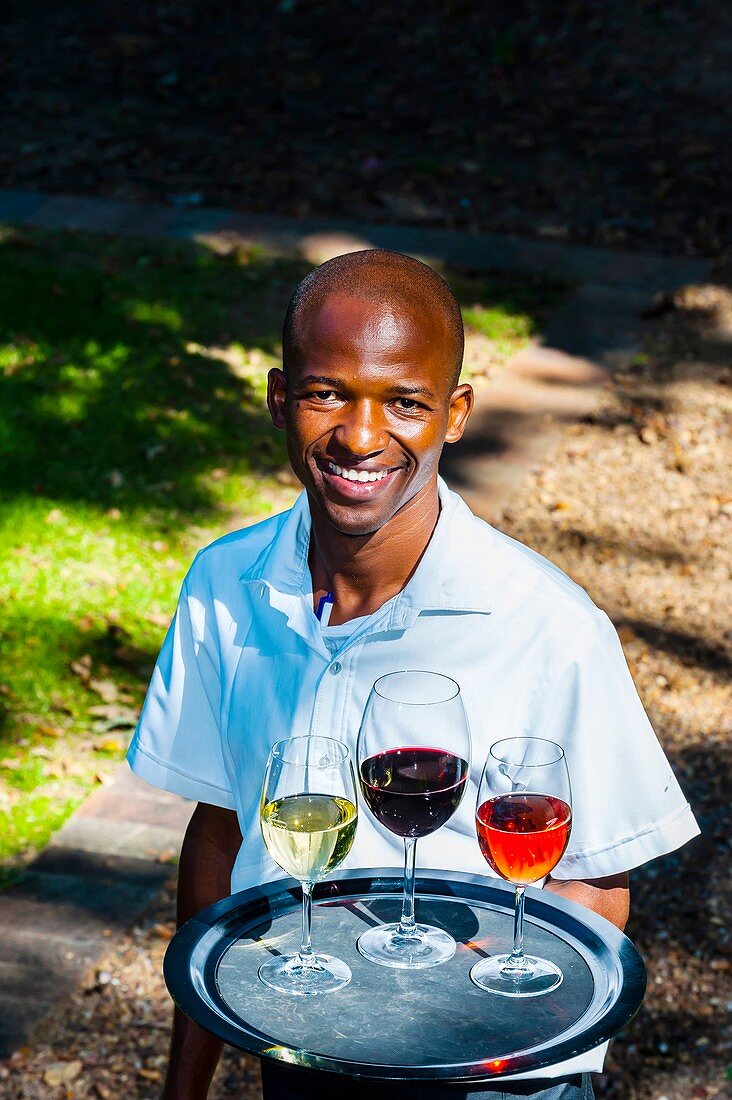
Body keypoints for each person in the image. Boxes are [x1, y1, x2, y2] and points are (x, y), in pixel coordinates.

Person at [127, 249, 699, 1100]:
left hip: (492, 1075)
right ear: (280, 398)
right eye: (328, 393)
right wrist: (185, 1087)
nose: (361, 437)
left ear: (454, 414)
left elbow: (596, 877)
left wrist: (493, 1023)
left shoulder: (546, 625)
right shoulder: (223, 586)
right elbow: (220, 828)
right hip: (304, 1054)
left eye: (404, 402)